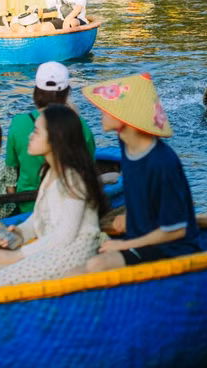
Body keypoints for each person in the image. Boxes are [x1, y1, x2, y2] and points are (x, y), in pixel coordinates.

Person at [0, 105, 107, 289]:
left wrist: (16, 256)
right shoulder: (49, 172)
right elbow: (38, 217)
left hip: (69, 256)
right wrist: (21, 232)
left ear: (56, 139)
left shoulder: (72, 177)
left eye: (36, 131)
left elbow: (64, 236)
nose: (30, 135)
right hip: (53, 252)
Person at [83, 73, 200, 270]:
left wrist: (124, 244)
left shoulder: (162, 163)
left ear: (124, 117)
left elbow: (176, 230)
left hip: (168, 249)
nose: (100, 110)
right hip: (139, 238)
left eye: (107, 108)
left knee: (96, 265)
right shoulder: (125, 143)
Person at [7, 62, 96, 213]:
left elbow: (11, 171)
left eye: (36, 131)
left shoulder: (18, 122)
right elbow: (89, 167)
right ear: (66, 93)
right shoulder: (80, 125)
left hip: (25, 205)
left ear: (36, 92)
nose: (31, 135)